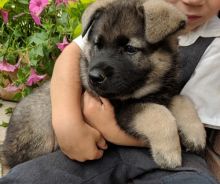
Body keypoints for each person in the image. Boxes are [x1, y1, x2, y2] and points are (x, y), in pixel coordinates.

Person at [0, 0, 219, 183]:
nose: (193, 1)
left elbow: (191, 136)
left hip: (138, 148)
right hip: (78, 141)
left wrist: (109, 128)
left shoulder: (210, 42)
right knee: (30, 174)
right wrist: (68, 123)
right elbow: (71, 54)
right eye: (99, 46)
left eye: (130, 49)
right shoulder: (122, 12)